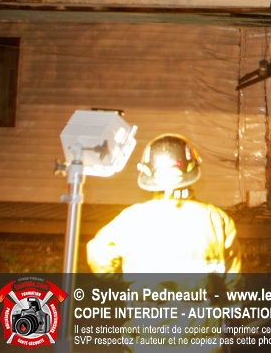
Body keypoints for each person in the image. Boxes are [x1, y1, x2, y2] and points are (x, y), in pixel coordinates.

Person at [87, 133, 241, 352]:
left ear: (148, 173)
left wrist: (127, 278)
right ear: (192, 169)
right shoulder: (217, 220)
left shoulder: (131, 219)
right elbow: (232, 281)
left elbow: (99, 260)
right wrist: (233, 315)